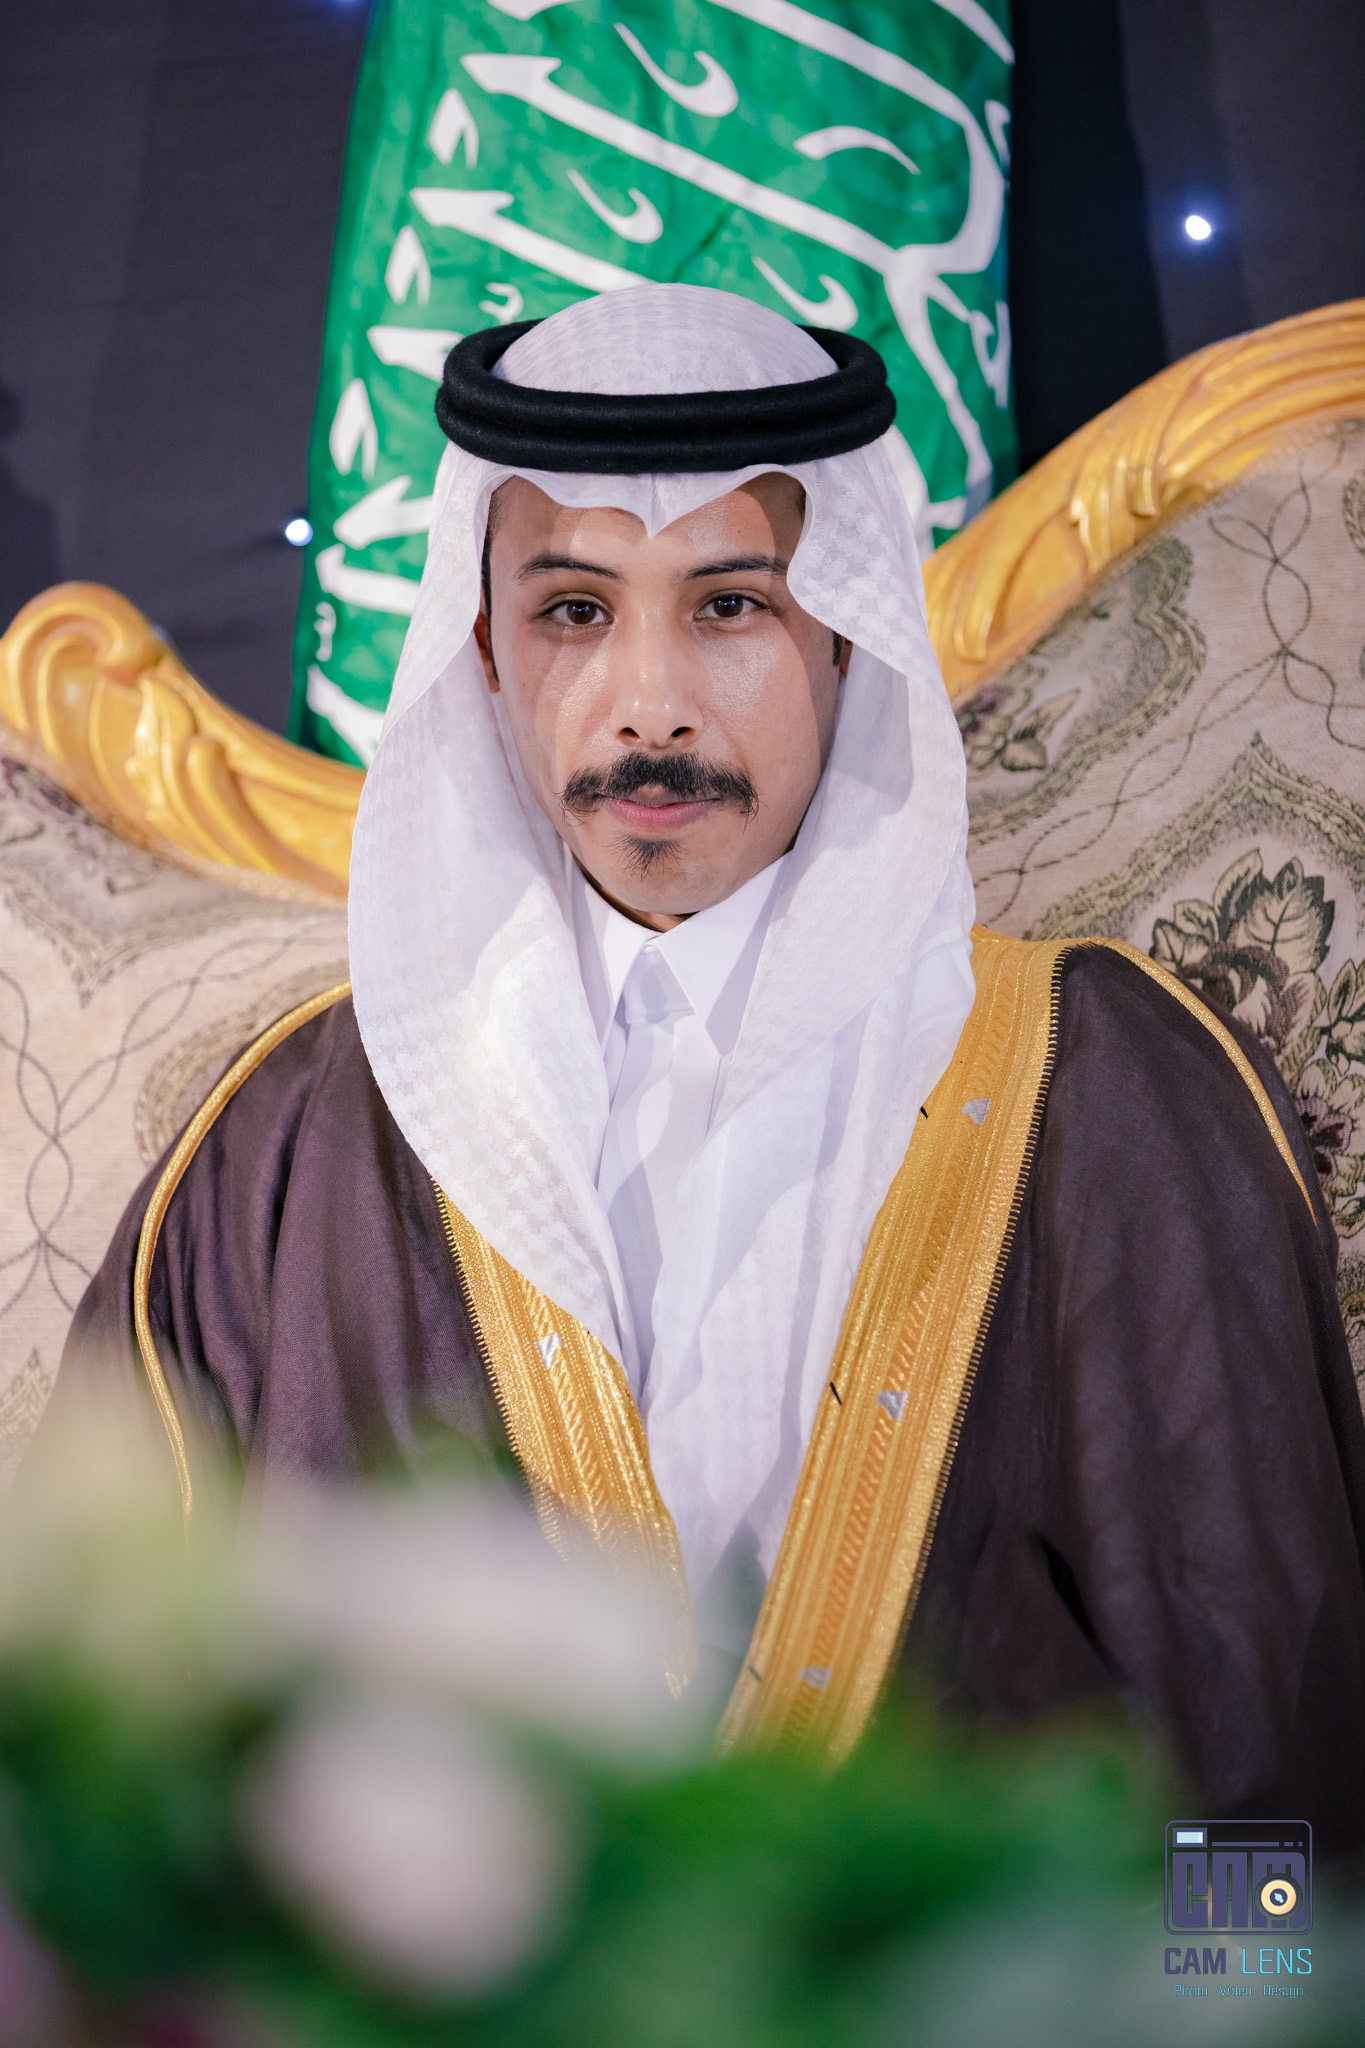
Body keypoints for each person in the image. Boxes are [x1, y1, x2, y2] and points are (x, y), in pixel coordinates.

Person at [41, 287, 1365, 1851]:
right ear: (484, 648)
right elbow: (98, 1769)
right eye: (573, 612)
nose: (649, 705)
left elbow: (1272, 1801)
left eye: (730, 606)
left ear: (845, 633)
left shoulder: (1107, 1092)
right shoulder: (284, 1149)